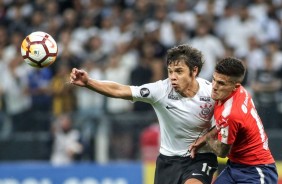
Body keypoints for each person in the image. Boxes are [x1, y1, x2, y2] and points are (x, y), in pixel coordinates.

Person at [69, 44, 218, 184]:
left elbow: (227, 119)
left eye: (179, 71)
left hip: (201, 157)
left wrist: (207, 137)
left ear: (194, 71)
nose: (173, 76)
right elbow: (120, 90)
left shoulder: (212, 93)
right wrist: (89, 82)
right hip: (169, 160)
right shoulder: (160, 90)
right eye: (170, 71)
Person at [189, 57, 278, 184]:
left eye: (221, 83)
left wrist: (207, 139)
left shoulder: (231, 113)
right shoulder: (235, 92)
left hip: (257, 170)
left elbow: (221, 152)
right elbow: (222, 124)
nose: (214, 86)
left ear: (235, 86)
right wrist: (205, 138)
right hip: (235, 167)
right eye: (214, 79)